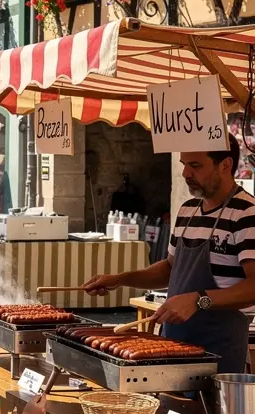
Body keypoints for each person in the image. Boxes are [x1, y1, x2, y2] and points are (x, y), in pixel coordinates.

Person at [85, 135, 255, 374]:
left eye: (195, 166)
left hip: (221, 355)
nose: (186, 173)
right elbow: (170, 268)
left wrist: (199, 300)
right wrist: (120, 279)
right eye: (184, 164)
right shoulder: (187, 210)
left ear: (225, 165)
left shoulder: (246, 214)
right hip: (172, 347)